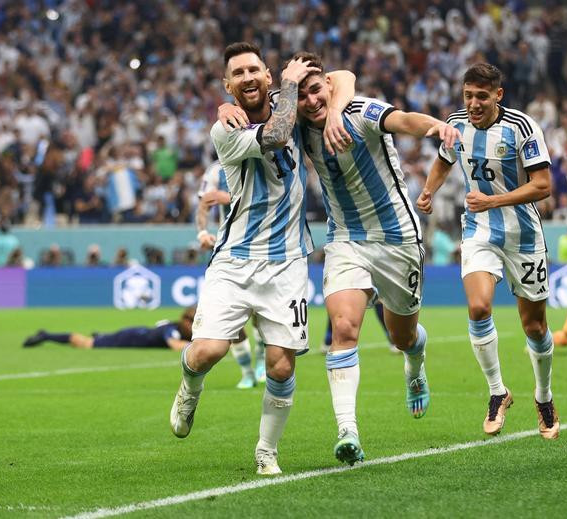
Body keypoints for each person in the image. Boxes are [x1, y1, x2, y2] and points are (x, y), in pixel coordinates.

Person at [169, 42, 353, 476]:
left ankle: (266, 450)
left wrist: (331, 109)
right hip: (234, 259)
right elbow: (275, 136)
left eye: (254, 69)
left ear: (267, 76)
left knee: (281, 364)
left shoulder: (293, 104)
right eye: (238, 73)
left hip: (288, 262)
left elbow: (343, 78)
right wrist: (286, 85)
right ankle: (189, 387)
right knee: (207, 351)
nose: (248, 77)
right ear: (227, 85)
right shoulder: (225, 130)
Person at [276, 51, 459, 465]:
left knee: (402, 336)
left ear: (327, 85)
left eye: (315, 89)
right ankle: (348, 430)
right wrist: (227, 106)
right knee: (343, 327)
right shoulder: (297, 125)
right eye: (301, 95)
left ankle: (415, 363)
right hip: (346, 238)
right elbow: (263, 111)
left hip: (397, 239)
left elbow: (402, 119)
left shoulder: (359, 112)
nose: (310, 100)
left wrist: (435, 127)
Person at [417, 63, 560, 440]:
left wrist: (493, 201)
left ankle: (544, 396)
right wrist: (429, 190)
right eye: (468, 95)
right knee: (479, 307)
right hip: (479, 230)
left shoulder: (522, 127)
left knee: (535, 326)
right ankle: (498, 392)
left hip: (523, 235)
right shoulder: (456, 124)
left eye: (482, 96)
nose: (474, 103)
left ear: (498, 95)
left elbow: (542, 185)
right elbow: (444, 161)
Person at [196, 153, 267, 389]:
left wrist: (228, 197)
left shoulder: (262, 160)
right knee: (230, 318)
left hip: (262, 248)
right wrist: (202, 232)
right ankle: (247, 372)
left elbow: (269, 198)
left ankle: (261, 363)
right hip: (227, 251)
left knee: (259, 314)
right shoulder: (215, 171)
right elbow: (204, 202)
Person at [22, 307, 195, 350]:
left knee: (95, 339)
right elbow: (175, 345)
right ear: (184, 320)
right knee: (85, 343)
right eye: (192, 322)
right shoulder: (172, 330)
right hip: (129, 338)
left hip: (134, 333)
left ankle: (100, 335)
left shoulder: (175, 327)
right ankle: (46, 335)